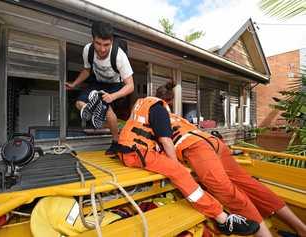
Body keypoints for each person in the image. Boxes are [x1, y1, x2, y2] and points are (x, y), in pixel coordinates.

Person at [155, 82, 306, 237]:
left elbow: (163, 144)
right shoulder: (178, 117)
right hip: (214, 143)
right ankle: (301, 229)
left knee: (229, 194)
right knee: (250, 184)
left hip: (197, 149)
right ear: (170, 103)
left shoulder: (152, 115)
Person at [117, 96, 260, 236]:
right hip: (136, 153)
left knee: (177, 169)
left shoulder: (145, 103)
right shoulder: (159, 109)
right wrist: (177, 164)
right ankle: (221, 218)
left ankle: (217, 210)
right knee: (180, 173)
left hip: (130, 149)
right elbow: (166, 141)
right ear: (169, 102)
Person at [66, 21, 134, 155]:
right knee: (79, 103)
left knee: (107, 109)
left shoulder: (120, 56)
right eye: (98, 44)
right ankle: (96, 108)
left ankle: (115, 142)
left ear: (112, 41)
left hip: (116, 85)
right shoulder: (88, 50)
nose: (102, 49)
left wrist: (112, 96)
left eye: (106, 45)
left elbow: (130, 85)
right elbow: (87, 70)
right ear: (93, 39)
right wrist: (74, 84)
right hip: (98, 83)